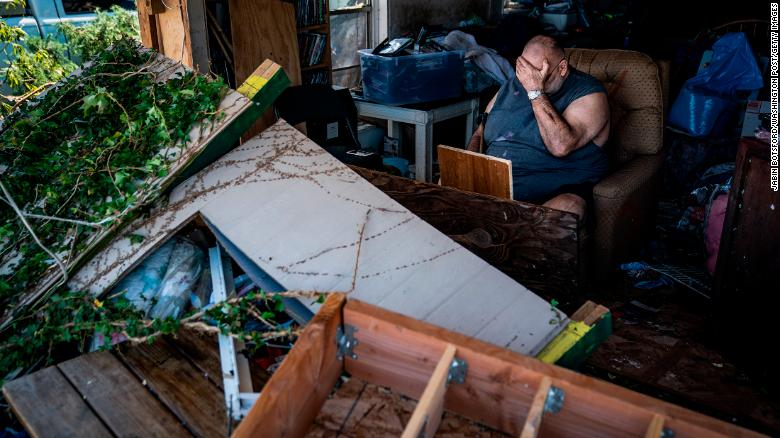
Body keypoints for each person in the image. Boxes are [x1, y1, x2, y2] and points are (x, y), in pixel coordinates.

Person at [467, 35, 610, 219]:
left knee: (568, 208)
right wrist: (469, 167)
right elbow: (480, 131)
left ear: (562, 68)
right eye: (524, 71)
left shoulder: (590, 93)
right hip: (495, 185)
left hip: (551, 193)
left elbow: (560, 146)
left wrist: (535, 91)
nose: (526, 81)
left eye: (537, 74)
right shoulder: (512, 85)